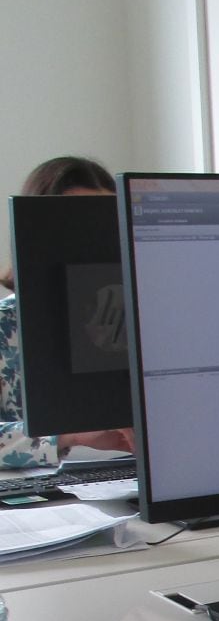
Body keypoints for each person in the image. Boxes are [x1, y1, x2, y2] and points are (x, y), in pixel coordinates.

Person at [0, 155, 133, 468]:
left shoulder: (150, 318)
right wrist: (67, 436)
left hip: (131, 481)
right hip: (44, 501)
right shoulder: (5, 324)